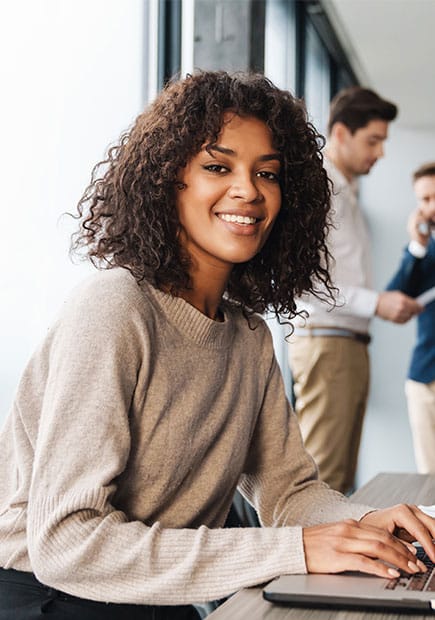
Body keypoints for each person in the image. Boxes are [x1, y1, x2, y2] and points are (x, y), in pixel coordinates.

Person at [0, 71, 433, 620]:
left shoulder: (248, 337)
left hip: (162, 593)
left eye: (267, 173)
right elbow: (67, 544)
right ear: (167, 180)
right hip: (51, 597)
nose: (248, 190)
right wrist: (298, 549)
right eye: (217, 166)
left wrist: (360, 524)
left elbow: (289, 491)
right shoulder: (113, 308)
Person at [288, 86, 422, 494]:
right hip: (329, 343)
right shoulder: (321, 189)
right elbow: (304, 282)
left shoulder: (345, 190)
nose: (380, 153)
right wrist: (377, 302)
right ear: (341, 134)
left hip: (345, 343)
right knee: (323, 482)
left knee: (337, 481)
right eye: (373, 140)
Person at [386, 162, 435, 474]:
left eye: (433, 198)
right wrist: (417, 247)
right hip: (425, 378)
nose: (428, 208)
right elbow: (393, 300)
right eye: (423, 200)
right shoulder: (423, 253)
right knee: (430, 479)